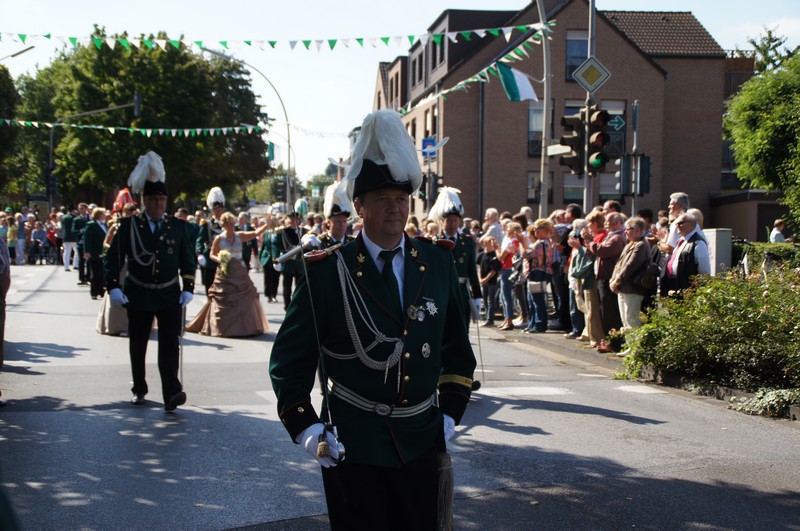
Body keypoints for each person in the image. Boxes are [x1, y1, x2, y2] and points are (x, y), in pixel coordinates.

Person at [269, 109, 476, 530]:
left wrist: (450, 414)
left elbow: (456, 348)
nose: (395, 209)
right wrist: (307, 427)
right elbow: (290, 360)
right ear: (359, 205)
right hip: (354, 441)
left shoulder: (437, 262)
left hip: (422, 436)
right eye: (381, 199)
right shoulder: (328, 270)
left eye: (401, 199)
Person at [104, 151, 196, 411]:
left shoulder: (177, 227)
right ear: (144, 201)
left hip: (168, 293)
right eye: (153, 200)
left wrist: (188, 287)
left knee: (170, 345)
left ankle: (172, 393)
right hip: (139, 292)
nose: (158, 204)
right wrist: (113, 287)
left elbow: (187, 260)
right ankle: (139, 387)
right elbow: (112, 259)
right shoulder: (129, 226)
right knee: (138, 344)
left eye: (162, 200)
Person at [185, 212, 269, 337]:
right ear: (224, 225)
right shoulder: (219, 238)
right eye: (228, 223)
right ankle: (221, 326)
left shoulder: (240, 235)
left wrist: (267, 225)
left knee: (245, 296)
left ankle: (243, 327)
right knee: (222, 298)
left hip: (239, 271)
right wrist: (219, 259)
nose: (231, 226)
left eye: (232, 223)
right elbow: (212, 253)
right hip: (224, 271)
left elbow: (256, 233)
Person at [429, 186, 482, 328]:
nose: (452, 225)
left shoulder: (467, 242)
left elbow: (472, 270)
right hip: (441, 292)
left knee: (462, 330)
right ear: (443, 221)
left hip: (461, 293)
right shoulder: (435, 242)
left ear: (459, 222)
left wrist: (477, 295)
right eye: (449, 221)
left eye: (455, 221)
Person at [97, 202, 139, 336]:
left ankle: (134, 325)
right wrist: (114, 249)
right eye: (127, 212)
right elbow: (106, 242)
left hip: (133, 264)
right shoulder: (116, 226)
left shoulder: (139, 227)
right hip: (121, 264)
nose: (130, 215)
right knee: (118, 291)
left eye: (132, 213)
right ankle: (118, 326)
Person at [610, 217, 651, 341]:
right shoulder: (630, 244)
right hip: (624, 287)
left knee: (631, 318)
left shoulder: (641, 245)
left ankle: (636, 347)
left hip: (633, 287)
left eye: (629, 229)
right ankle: (629, 345)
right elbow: (619, 264)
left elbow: (630, 265)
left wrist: (617, 280)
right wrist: (613, 280)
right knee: (625, 318)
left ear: (638, 230)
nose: (626, 232)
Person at [662, 211, 710, 295]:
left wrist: (700, 291)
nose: (677, 226)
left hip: (687, 288)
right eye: (676, 223)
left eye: (681, 223)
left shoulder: (698, 243)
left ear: (691, 224)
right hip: (673, 284)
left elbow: (704, 271)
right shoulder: (680, 241)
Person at [270, 211, 307, 311]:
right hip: (288, 263)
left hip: (300, 263)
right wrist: (275, 259)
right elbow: (276, 245)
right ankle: (287, 307)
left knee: (299, 287)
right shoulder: (282, 232)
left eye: (294, 219)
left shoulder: (304, 232)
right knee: (287, 287)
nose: (292, 221)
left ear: (299, 220)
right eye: (290, 219)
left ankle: (298, 306)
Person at [197, 187, 225, 295]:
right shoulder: (207, 224)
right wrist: (199, 253)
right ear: (212, 210)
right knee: (210, 288)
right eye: (216, 209)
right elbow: (200, 240)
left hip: (224, 259)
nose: (218, 211)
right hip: (210, 259)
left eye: (220, 209)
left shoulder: (227, 223)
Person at [318, 180, 355, 249]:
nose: (342, 225)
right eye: (338, 221)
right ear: (328, 222)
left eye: (344, 221)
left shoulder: (353, 242)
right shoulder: (320, 243)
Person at [83, 208, 108, 299]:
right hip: (94, 252)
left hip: (103, 252)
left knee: (102, 273)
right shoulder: (91, 225)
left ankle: (101, 291)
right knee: (95, 273)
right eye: (103, 214)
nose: (105, 215)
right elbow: (87, 239)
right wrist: (87, 251)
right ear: (99, 215)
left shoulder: (105, 225)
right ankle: (94, 292)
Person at [259, 216, 281, 303]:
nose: (269, 223)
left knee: (275, 277)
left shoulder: (279, 232)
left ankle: (274, 295)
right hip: (266, 258)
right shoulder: (267, 232)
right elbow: (263, 245)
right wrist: (260, 256)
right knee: (267, 277)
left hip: (276, 258)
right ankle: (268, 295)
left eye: (271, 222)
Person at [73, 204, 90, 282]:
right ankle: (82, 277)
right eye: (80, 208)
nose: (81, 210)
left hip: (89, 242)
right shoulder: (76, 219)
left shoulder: (90, 218)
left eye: (82, 208)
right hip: (80, 242)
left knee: (89, 260)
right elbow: (73, 231)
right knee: (81, 260)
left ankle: (88, 277)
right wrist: (80, 231)